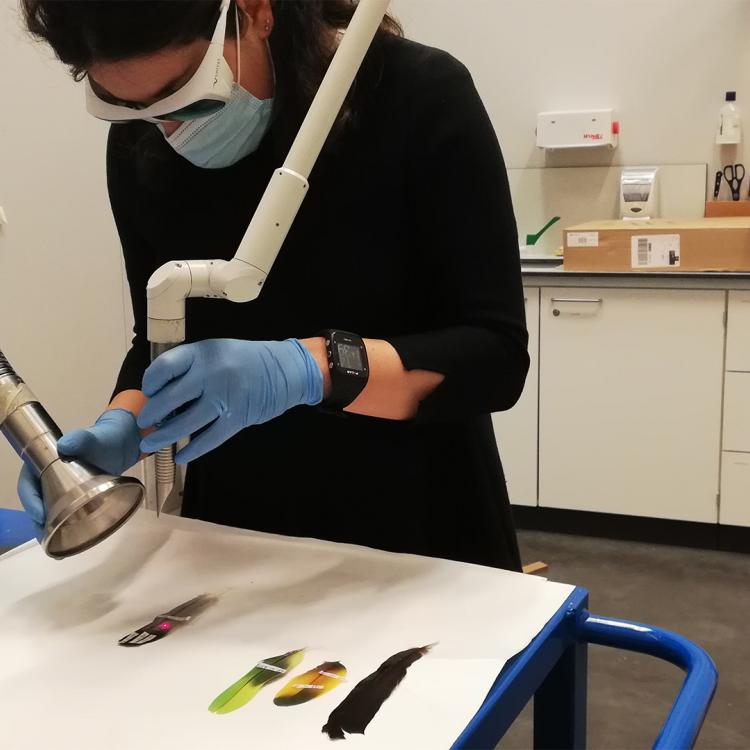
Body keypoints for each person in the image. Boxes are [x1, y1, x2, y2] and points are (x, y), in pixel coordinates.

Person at [17, 0, 529, 570]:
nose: (167, 127)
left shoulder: (418, 94)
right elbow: (161, 335)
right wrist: (123, 425)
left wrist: (308, 370)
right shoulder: (142, 142)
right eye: (128, 105)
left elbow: (493, 357)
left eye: (185, 92)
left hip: (419, 532)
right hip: (240, 539)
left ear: (255, 13)